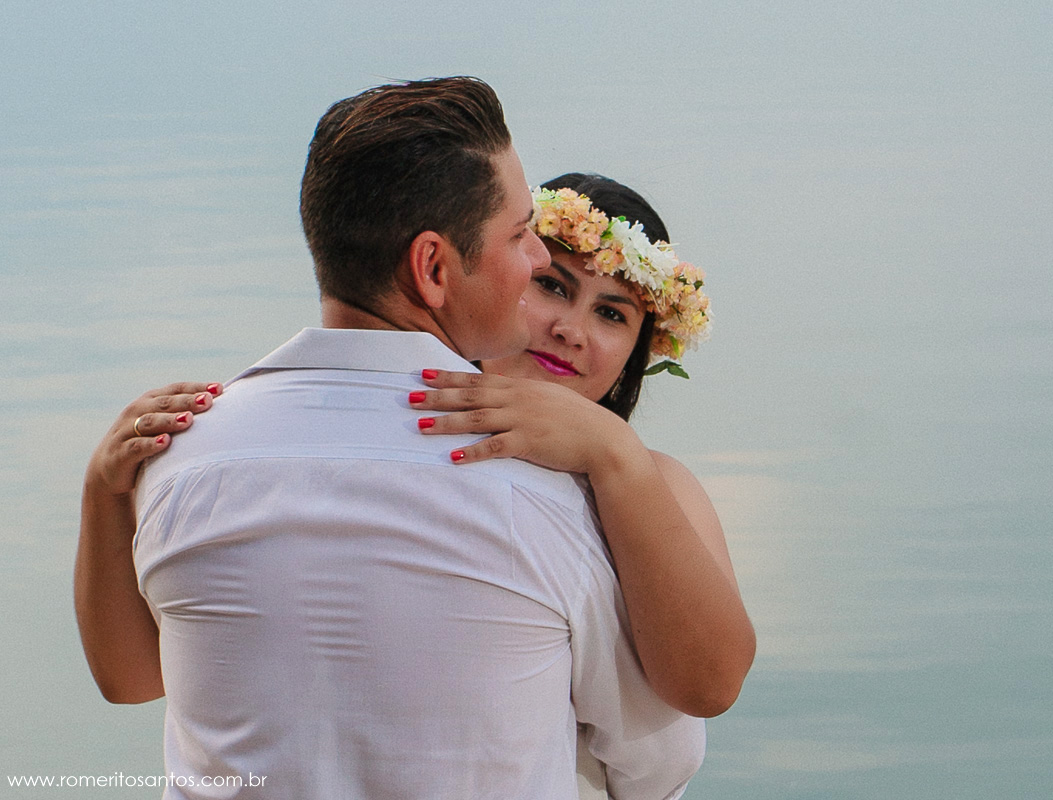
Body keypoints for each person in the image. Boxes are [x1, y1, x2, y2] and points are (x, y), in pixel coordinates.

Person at [75, 78, 706, 799]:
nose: (534, 260)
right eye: (521, 234)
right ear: (433, 268)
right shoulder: (548, 502)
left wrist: (104, 488)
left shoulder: (179, 459)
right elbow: (663, 759)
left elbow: (126, 677)